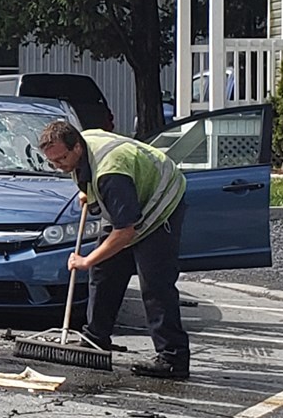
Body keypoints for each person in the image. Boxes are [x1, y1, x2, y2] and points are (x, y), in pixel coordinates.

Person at [38, 119, 191, 379]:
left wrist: (85, 261)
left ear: (77, 148)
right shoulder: (83, 143)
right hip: (131, 196)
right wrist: (87, 189)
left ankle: (172, 358)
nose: (59, 166)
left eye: (62, 159)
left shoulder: (110, 174)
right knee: (104, 270)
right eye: (52, 162)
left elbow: (126, 231)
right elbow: (94, 180)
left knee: (155, 283)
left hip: (161, 200)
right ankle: (96, 339)